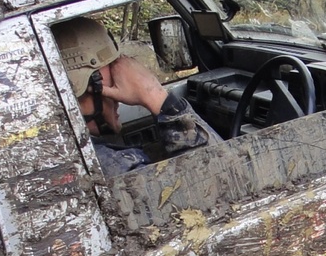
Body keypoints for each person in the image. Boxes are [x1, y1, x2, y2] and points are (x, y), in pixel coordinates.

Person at [53, 17, 209, 176]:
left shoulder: (64, 153)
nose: (119, 95)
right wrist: (155, 95)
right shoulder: (115, 165)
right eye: (112, 77)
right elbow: (212, 181)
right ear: (84, 86)